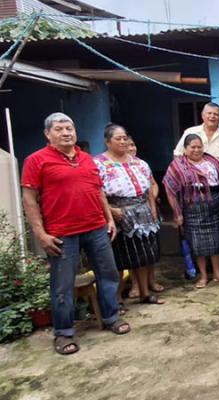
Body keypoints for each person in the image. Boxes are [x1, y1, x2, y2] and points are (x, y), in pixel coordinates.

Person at [21, 112, 130, 355]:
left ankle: (111, 318)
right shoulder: (36, 160)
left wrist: (109, 219)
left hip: (96, 228)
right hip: (61, 234)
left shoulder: (87, 159)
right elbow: (29, 199)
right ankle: (64, 333)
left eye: (69, 128)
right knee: (62, 285)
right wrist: (40, 234)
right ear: (47, 134)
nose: (66, 133)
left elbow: (98, 192)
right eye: (59, 129)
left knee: (109, 275)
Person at [94, 124, 163, 305]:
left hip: (142, 212)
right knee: (117, 259)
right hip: (117, 213)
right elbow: (96, 192)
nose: (123, 142)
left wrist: (152, 209)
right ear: (107, 142)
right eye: (119, 138)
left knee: (142, 256)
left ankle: (144, 293)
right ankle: (116, 301)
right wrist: (109, 210)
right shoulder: (99, 164)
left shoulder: (139, 163)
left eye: (125, 138)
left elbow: (149, 188)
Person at [164, 134, 219, 289]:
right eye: (193, 147)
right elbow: (170, 190)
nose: (197, 150)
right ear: (185, 149)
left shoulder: (213, 161)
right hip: (192, 207)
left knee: (217, 241)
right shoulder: (177, 166)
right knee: (197, 244)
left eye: (199, 147)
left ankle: (217, 273)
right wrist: (177, 213)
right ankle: (203, 275)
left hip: (216, 205)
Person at [126, 136, 164, 298]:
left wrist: (152, 199)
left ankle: (151, 280)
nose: (131, 148)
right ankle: (136, 284)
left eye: (133, 145)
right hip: (129, 214)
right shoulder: (113, 166)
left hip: (148, 211)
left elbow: (153, 184)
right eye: (127, 146)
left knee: (150, 249)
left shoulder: (141, 165)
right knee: (134, 251)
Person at [172, 102, 219, 175]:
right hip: (194, 183)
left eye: (216, 114)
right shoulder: (190, 132)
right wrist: (183, 175)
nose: (212, 116)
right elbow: (178, 154)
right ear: (203, 115)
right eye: (209, 113)